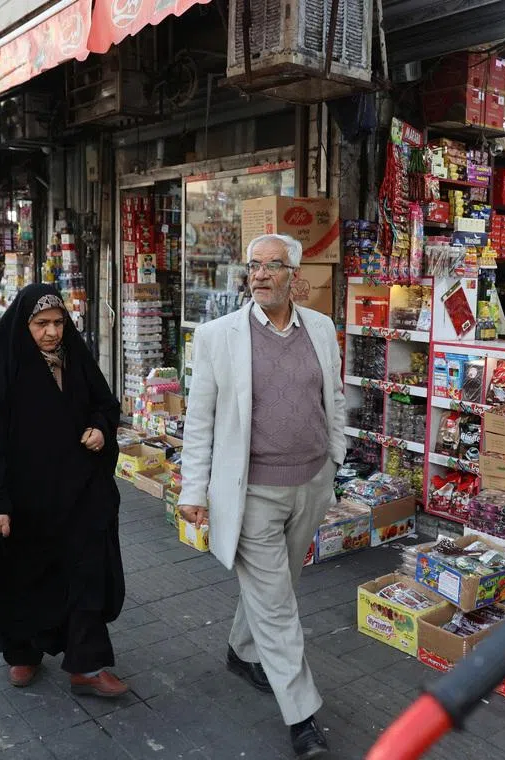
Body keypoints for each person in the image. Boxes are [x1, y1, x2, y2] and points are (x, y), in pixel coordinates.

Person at [179, 233, 345, 760]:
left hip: (312, 483)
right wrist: (193, 488)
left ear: (294, 276)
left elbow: (334, 398)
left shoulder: (320, 329)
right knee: (278, 606)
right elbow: (199, 421)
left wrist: (334, 459)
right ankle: (302, 717)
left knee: (281, 584)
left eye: (273, 266)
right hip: (251, 492)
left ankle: (240, 650)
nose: (261, 275)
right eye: (254, 265)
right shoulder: (217, 337)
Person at [0, 284, 128, 698]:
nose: (51, 332)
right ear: (23, 325)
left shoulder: (76, 360)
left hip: (78, 494)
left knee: (85, 571)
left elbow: (105, 404)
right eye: (40, 324)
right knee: (21, 575)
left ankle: (86, 666)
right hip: (21, 501)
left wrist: (101, 430)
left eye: (58, 322)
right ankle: (23, 650)